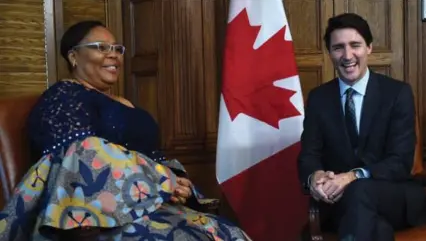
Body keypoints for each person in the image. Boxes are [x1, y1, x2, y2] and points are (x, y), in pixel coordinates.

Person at [0, 20, 250, 241]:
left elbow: (155, 156)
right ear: (73, 56)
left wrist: (177, 182)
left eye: (117, 49)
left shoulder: (126, 103)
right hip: (95, 216)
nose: (113, 55)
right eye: (101, 47)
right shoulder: (64, 96)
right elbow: (80, 155)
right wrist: (163, 180)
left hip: (149, 201)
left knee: (225, 232)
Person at [297, 13, 426, 241]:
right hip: (340, 204)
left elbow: (400, 161)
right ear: (330, 53)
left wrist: (352, 176)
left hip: (393, 197)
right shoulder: (319, 99)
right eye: (338, 48)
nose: (347, 56)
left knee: (360, 190)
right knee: (377, 230)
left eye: (355, 45)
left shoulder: (397, 94)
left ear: (369, 47)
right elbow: (308, 155)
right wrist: (316, 177)